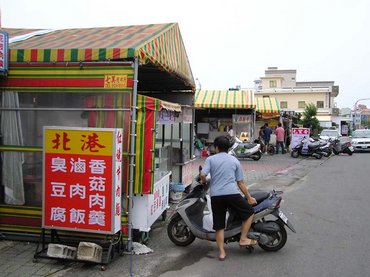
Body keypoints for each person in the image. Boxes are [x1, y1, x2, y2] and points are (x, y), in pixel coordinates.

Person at [200, 136, 257, 261]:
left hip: (216, 196)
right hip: (232, 194)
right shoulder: (234, 160)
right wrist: (249, 198)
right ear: (228, 147)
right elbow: (240, 183)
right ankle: (243, 238)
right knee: (249, 213)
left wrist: (203, 182)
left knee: (219, 225)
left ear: (216, 147)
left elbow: (203, 174)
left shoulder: (210, 159)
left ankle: (221, 253)